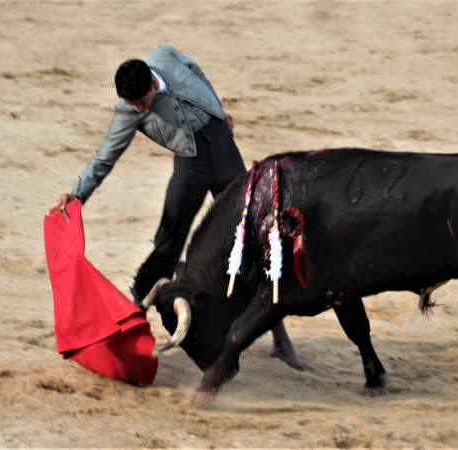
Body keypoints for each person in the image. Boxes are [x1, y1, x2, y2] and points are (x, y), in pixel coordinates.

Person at [51, 45, 303, 369]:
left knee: (255, 240)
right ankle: (131, 322)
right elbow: (105, 156)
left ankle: (280, 337)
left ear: (154, 84)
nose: (140, 109)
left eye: (143, 102)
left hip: (225, 152)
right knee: (167, 242)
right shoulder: (128, 110)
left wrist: (218, 108)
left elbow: (195, 69)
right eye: (134, 105)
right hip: (191, 168)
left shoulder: (165, 56)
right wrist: (77, 194)